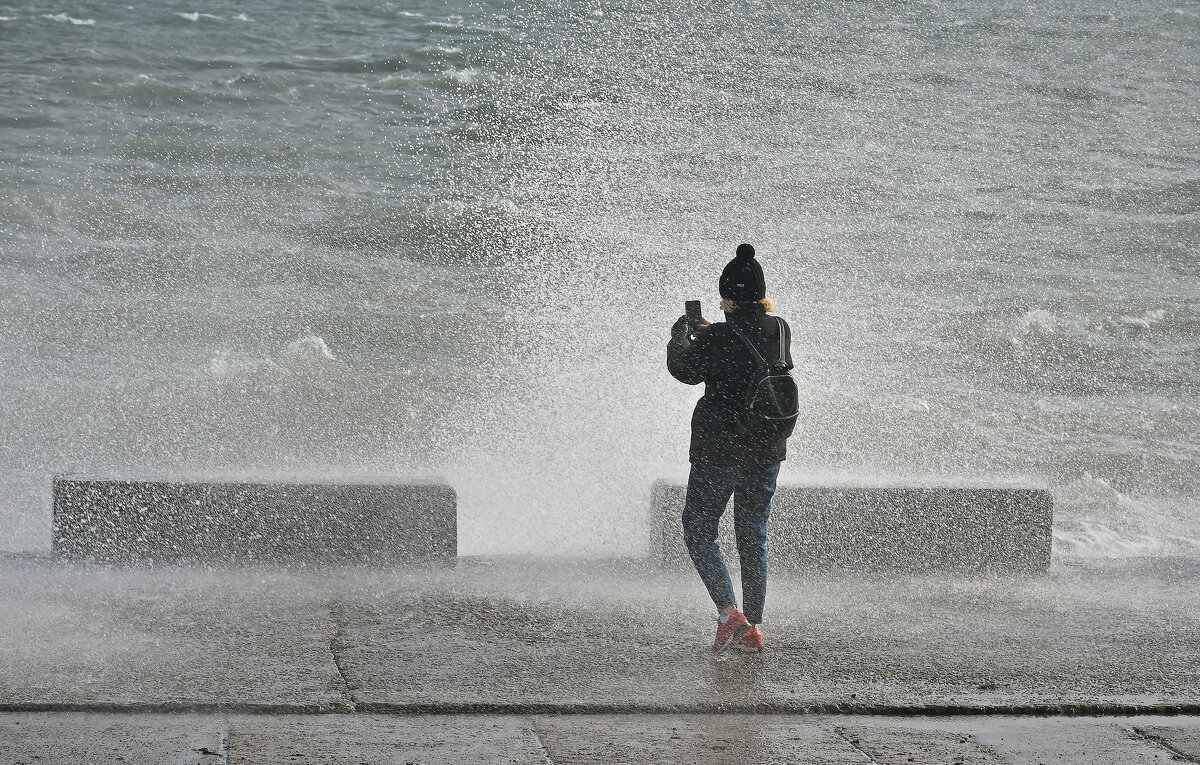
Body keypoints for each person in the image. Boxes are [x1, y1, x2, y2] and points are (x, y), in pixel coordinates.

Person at [667, 243, 795, 655]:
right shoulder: (780, 329)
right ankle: (753, 627)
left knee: (699, 528)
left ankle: (729, 615)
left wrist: (679, 339)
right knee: (752, 536)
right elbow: (742, 350)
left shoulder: (719, 336)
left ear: (726, 297)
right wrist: (712, 335)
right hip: (767, 446)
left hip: (720, 449)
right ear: (761, 294)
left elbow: (685, 371)